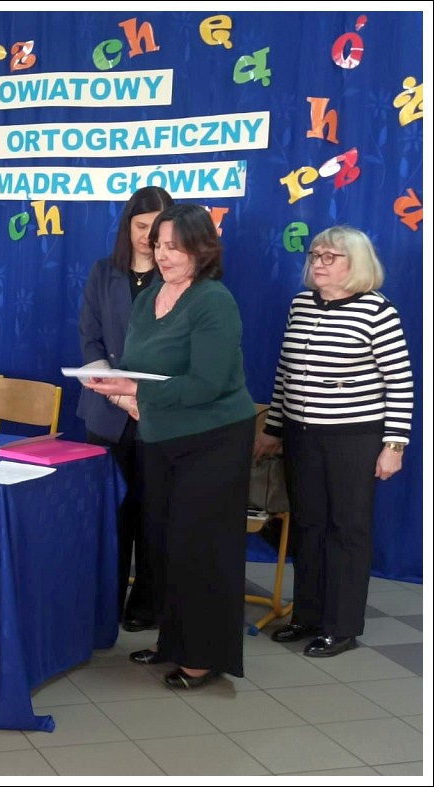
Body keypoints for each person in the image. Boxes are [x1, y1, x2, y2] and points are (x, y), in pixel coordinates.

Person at [85, 204, 255, 689]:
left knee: (201, 548)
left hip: (213, 440)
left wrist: (133, 390)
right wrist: (117, 386)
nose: (162, 254)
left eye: (174, 246)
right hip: (161, 436)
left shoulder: (214, 301)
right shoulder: (149, 298)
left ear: (202, 250)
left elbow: (207, 383)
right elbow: (140, 366)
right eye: (158, 244)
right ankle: (172, 643)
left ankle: (203, 657)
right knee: (166, 546)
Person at [255, 226, 413, 658]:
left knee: (347, 529)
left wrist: (394, 445)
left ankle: (341, 627)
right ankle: (307, 615)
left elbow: (400, 383)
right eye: (315, 255)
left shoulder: (377, 311)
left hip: (354, 437)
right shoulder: (301, 305)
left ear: (355, 263)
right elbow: (285, 373)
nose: (319, 263)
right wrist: (273, 428)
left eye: (330, 257)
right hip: (301, 434)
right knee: (308, 526)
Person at [77, 186, 173, 633]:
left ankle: (147, 604)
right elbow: (90, 341)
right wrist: (121, 397)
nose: (147, 236)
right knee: (109, 513)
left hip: (160, 414)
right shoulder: (104, 272)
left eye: (156, 228)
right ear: (127, 226)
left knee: (153, 512)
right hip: (108, 413)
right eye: (140, 225)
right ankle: (105, 600)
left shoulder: (179, 276)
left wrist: (145, 399)